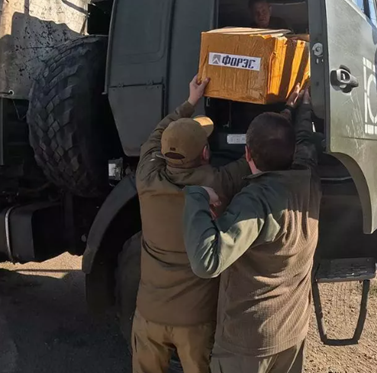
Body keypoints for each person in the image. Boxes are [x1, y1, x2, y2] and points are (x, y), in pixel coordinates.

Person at [183, 86, 320, 373]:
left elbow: (207, 261)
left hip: (250, 346)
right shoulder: (308, 179)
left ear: (246, 153)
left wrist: (197, 196)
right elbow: (305, 140)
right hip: (292, 331)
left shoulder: (255, 202)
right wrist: (297, 109)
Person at [132, 75, 251, 373]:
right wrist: (289, 112)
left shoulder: (146, 179)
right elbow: (252, 160)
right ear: (206, 153)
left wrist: (189, 102)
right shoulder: (218, 183)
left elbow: (154, 137)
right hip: (195, 321)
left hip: (149, 314)